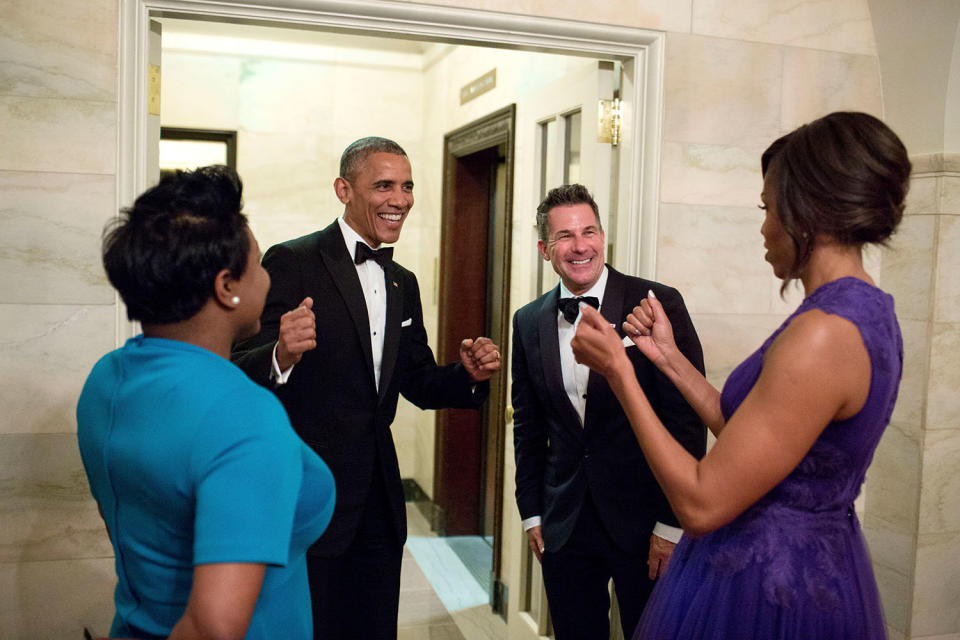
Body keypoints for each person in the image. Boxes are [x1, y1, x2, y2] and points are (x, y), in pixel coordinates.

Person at [571, 111, 910, 640]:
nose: (764, 226)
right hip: (807, 554)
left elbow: (702, 503)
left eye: (769, 208)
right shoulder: (864, 309)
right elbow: (754, 439)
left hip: (774, 582)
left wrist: (620, 372)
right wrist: (669, 360)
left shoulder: (825, 333)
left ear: (806, 212)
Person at [232, 136, 501, 640]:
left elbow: (417, 382)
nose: (399, 199)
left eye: (406, 186)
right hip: (310, 495)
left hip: (380, 503)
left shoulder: (404, 281)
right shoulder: (293, 261)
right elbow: (238, 367)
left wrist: (466, 374)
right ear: (344, 189)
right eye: (383, 185)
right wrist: (281, 353)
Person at [77, 165, 335, 640]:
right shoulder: (244, 416)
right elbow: (215, 626)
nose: (266, 278)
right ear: (226, 287)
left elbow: (141, 527)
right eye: (258, 264)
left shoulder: (105, 381)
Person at [511, 184, 706, 638]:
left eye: (589, 231)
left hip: (645, 523)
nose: (580, 246)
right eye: (565, 236)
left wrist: (672, 523)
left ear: (603, 237)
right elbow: (528, 422)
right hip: (564, 524)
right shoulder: (528, 320)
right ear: (544, 249)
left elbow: (686, 418)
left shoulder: (656, 303)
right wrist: (532, 512)